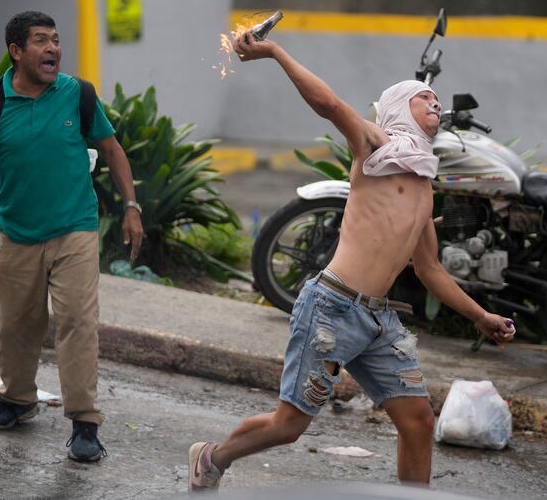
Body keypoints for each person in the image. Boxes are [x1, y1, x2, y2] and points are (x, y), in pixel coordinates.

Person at [188, 34, 515, 490]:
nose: (436, 103)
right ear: (401, 108)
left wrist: (481, 317)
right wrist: (275, 52)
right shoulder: (376, 146)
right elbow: (329, 103)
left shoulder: (423, 185)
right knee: (289, 427)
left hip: (378, 321)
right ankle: (212, 456)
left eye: (438, 100)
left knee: (418, 421)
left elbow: (430, 270)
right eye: (426, 97)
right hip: (332, 307)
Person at [0, 11, 143, 462]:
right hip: (16, 232)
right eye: (41, 41)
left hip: (74, 230)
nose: (54, 49)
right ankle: (18, 400)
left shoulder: (78, 94)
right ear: (16, 52)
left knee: (78, 323)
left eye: (57, 41)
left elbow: (112, 149)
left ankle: (84, 423)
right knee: (16, 324)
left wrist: (132, 206)